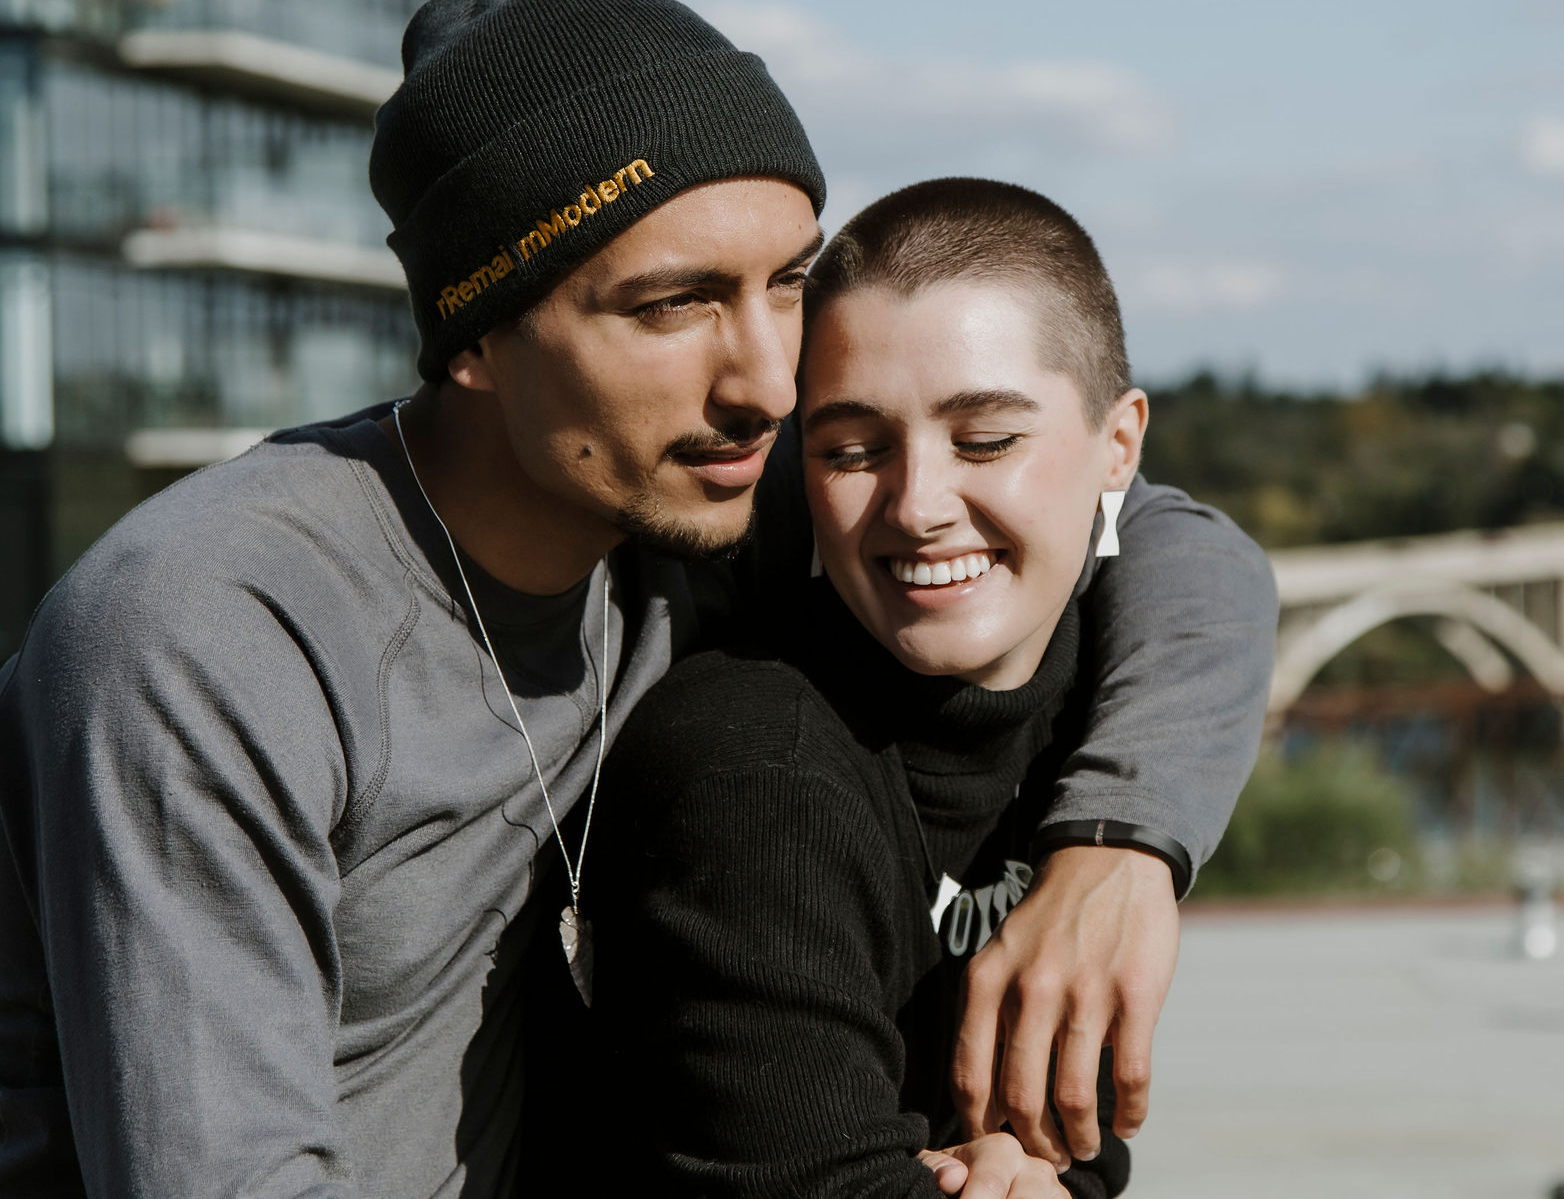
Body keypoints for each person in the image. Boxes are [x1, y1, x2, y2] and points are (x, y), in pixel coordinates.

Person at [0, 0, 1276, 1199]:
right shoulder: (211, 632)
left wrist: (1118, 848)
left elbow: (1163, 540)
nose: (767, 382)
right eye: (674, 304)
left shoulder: (702, 487)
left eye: (786, 281)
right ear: (474, 339)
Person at [526, 177, 1232, 1199]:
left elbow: (1070, 1143)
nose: (918, 506)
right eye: (852, 451)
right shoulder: (755, 771)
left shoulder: (1103, 706)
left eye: (985, 440)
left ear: (1117, 446)